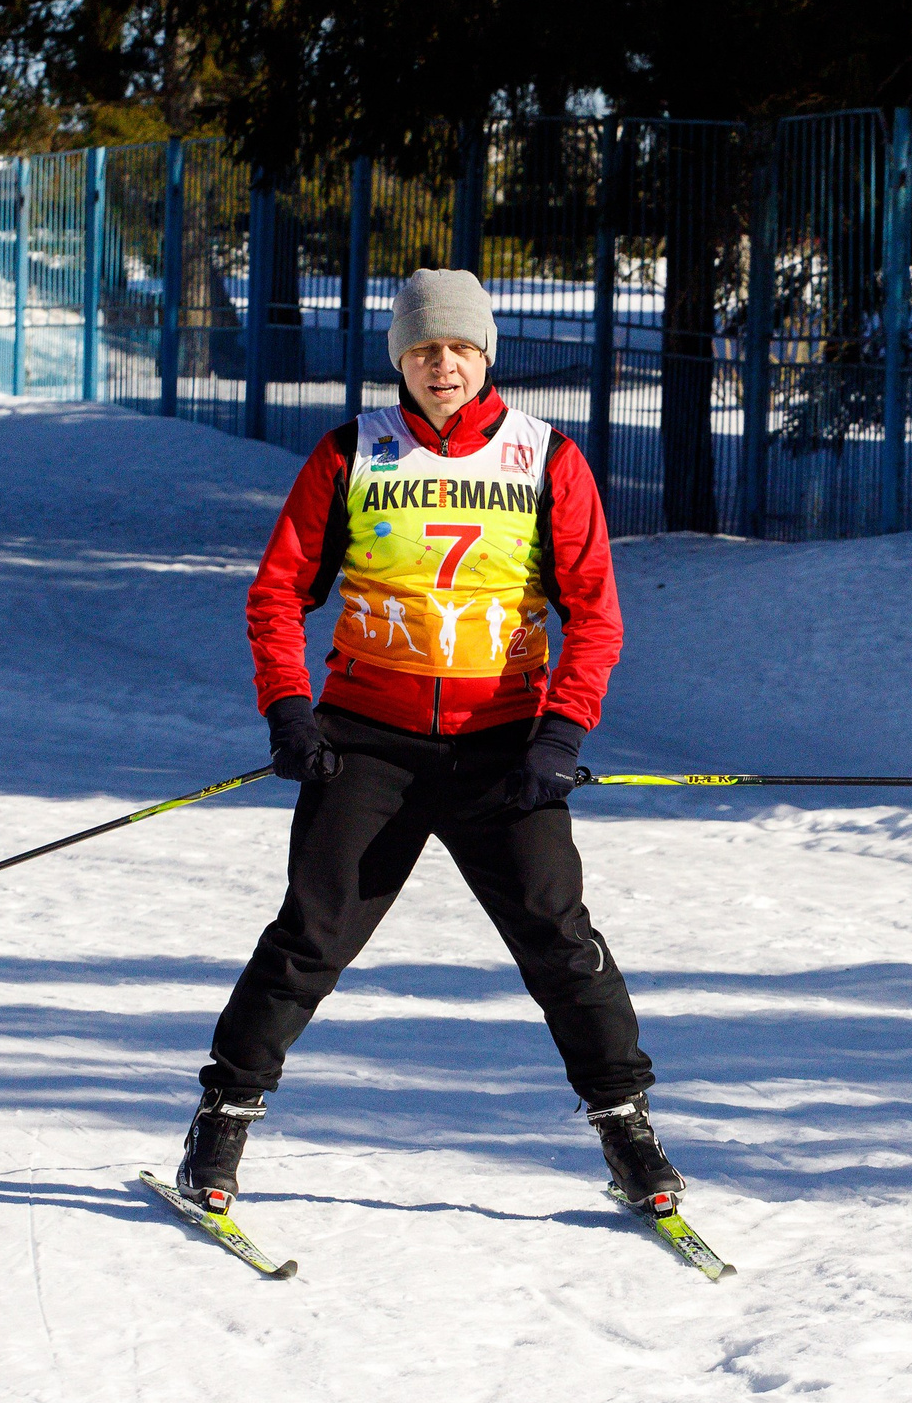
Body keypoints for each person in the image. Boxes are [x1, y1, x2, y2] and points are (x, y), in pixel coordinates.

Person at [172, 268, 686, 1218]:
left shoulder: (545, 459)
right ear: (398, 360)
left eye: (457, 347)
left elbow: (597, 618)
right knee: (311, 936)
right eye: (420, 349)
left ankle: (626, 1125)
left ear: (486, 354)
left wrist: (561, 731)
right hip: (368, 742)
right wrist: (290, 707)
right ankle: (222, 1115)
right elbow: (278, 595)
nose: (440, 364)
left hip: (504, 750)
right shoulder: (349, 456)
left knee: (561, 943)